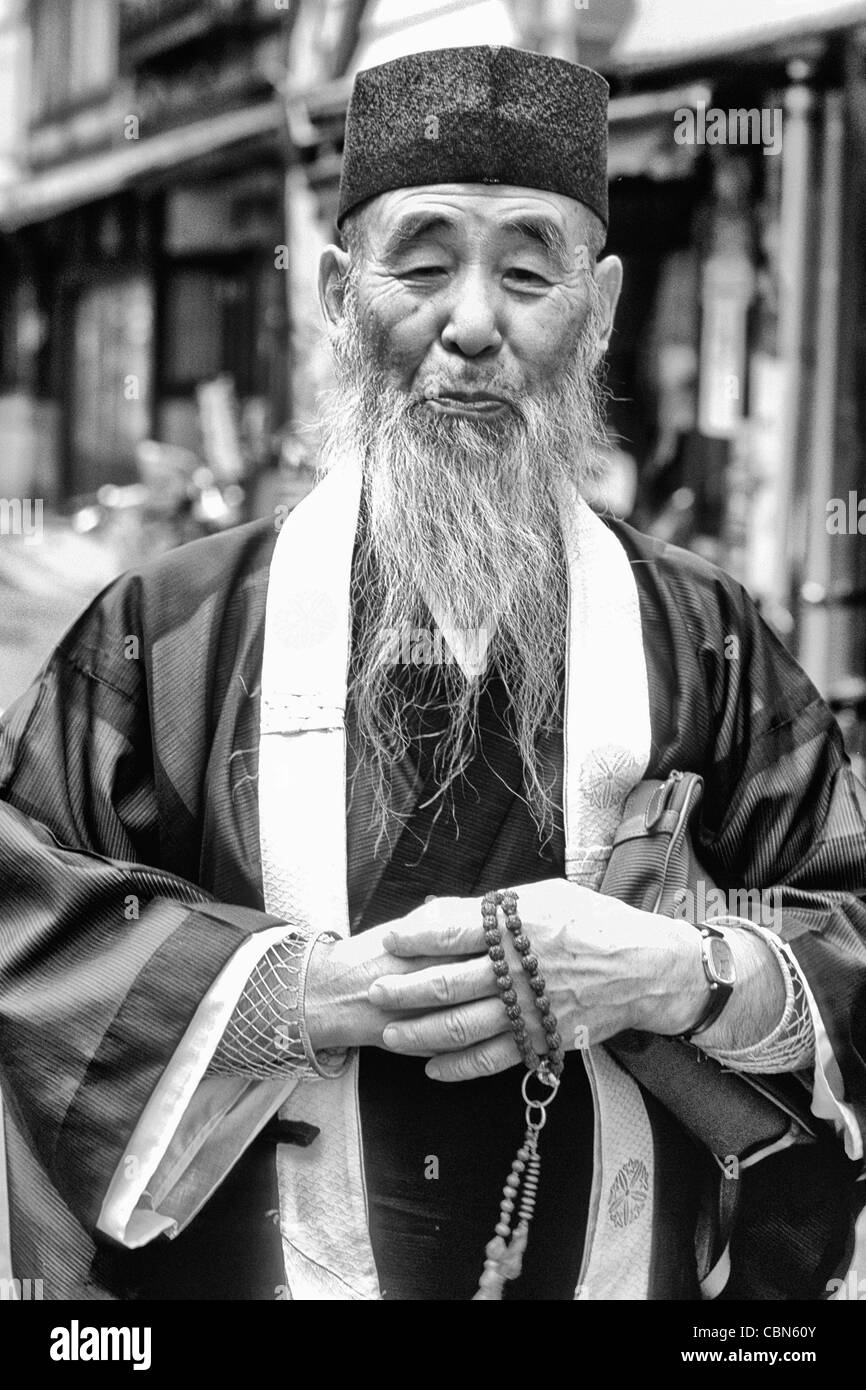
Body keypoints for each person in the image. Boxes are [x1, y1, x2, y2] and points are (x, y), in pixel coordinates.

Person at [0, 45, 864, 1302]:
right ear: (343, 294)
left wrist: (676, 971)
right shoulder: (172, 628)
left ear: (602, 303)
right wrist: (290, 994)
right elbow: (23, 908)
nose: (470, 324)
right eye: (419, 266)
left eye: (527, 271)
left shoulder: (706, 633)